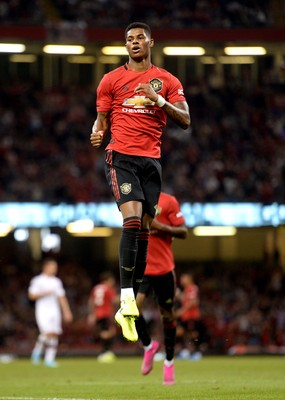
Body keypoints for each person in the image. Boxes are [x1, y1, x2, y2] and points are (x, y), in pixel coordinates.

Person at [90, 21, 190, 343]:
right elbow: (102, 119)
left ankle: (128, 301)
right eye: (129, 39)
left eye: (139, 38)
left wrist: (157, 100)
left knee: (145, 228)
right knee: (131, 220)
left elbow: (186, 120)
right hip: (121, 156)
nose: (134, 43)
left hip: (152, 162)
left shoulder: (167, 81)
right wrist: (97, 131)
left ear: (151, 42)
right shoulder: (111, 80)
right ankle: (125, 296)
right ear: (126, 46)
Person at [134, 192, 188, 385]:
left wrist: (159, 226)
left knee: (167, 316)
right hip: (143, 269)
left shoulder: (169, 201)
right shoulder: (134, 200)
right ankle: (149, 346)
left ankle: (169, 361)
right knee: (132, 309)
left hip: (164, 269)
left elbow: (184, 232)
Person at [28, 258, 73, 367]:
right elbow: (31, 295)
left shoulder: (56, 281)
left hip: (55, 310)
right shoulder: (37, 280)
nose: (55, 269)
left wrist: (67, 311)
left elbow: (62, 297)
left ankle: (49, 359)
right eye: (53, 267)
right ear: (46, 267)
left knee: (55, 333)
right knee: (47, 333)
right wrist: (44, 293)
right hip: (42, 310)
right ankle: (37, 351)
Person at [87, 271, 118, 363]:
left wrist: (91, 314)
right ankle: (105, 352)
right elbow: (114, 300)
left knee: (105, 332)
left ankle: (105, 352)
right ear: (108, 280)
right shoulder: (108, 288)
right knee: (107, 332)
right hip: (106, 313)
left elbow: (91, 301)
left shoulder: (96, 288)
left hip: (97, 313)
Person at [175, 272, 204, 360]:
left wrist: (182, 310)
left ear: (189, 279)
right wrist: (178, 295)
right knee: (181, 332)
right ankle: (187, 351)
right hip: (186, 317)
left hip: (192, 316)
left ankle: (196, 352)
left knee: (192, 334)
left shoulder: (193, 288)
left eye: (183, 278)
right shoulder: (186, 290)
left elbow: (193, 302)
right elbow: (185, 299)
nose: (182, 280)